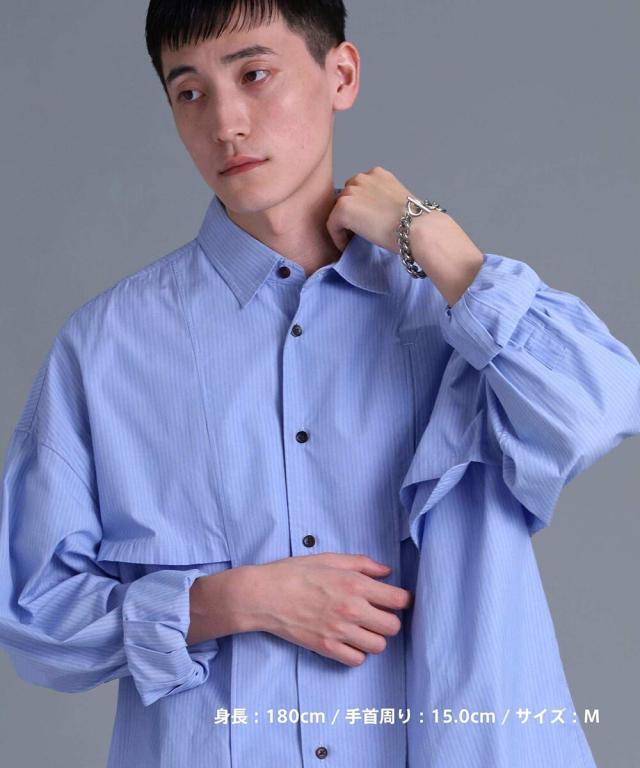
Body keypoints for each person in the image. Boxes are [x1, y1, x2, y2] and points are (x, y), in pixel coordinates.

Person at [0, 1, 638, 766]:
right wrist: (230, 601)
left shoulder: (455, 314)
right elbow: (35, 618)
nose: (225, 123)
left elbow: (601, 403)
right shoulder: (107, 348)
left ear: (341, 75)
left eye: (254, 75)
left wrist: (427, 231)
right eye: (190, 92)